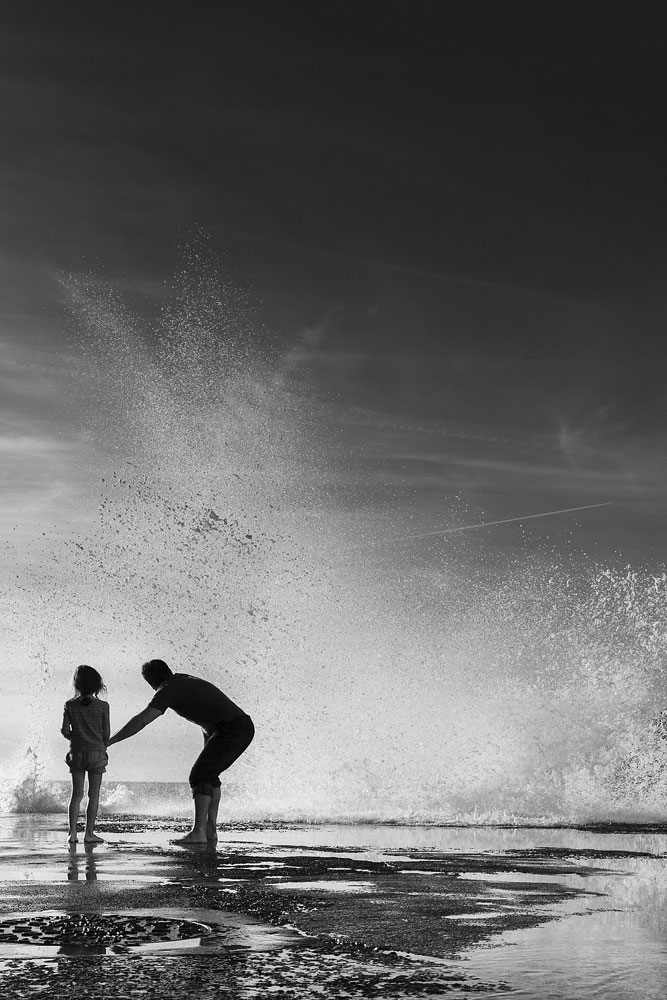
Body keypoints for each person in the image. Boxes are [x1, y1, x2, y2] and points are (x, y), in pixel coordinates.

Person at [108, 659, 254, 844]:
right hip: (239, 726)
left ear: (150, 682)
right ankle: (209, 832)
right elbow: (209, 715)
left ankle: (198, 833)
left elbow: (142, 720)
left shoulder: (168, 689)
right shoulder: (184, 680)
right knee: (208, 775)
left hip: (233, 728)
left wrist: (110, 741)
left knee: (200, 775)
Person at [61, 665, 110, 844]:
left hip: (77, 753)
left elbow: (65, 731)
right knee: (93, 795)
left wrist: (76, 736)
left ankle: (72, 833)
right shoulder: (103, 706)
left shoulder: (70, 705)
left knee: (76, 794)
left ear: (77, 684)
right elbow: (106, 734)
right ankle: (89, 834)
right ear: (97, 685)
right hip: (97, 753)